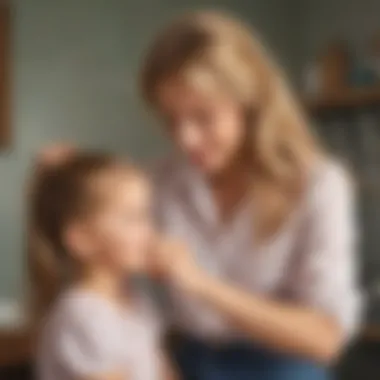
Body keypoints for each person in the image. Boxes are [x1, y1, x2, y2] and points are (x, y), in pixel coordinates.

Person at [38, 10, 362, 380]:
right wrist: (65, 171)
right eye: (170, 120)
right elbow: (103, 207)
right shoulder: (160, 182)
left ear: (249, 103)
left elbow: (326, 339)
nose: (184, 139)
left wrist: (198, 282)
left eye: (203, 117)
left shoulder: (319, 186)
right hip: (193, 363)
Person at [29, 152, 176, 380]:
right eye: (132, 218)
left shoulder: (137, 302)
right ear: (83, 239)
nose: (149, 232)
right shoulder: (81, 318)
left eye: (147, 216)